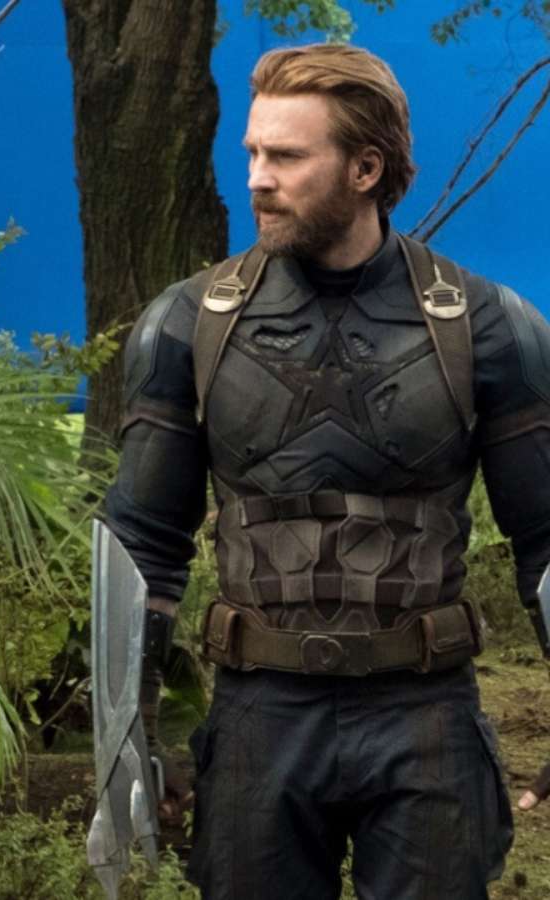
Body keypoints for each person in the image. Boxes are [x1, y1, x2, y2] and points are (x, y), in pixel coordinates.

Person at [103, 44, 550, 899]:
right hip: (259, 715)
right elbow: (142, 546)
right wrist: (129, 734)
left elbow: (548, 540)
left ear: (365, 169)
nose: (257, 179)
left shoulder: (490, 328)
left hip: (425, 714)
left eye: (286, 156)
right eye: (252, 153)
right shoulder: (186, 326)